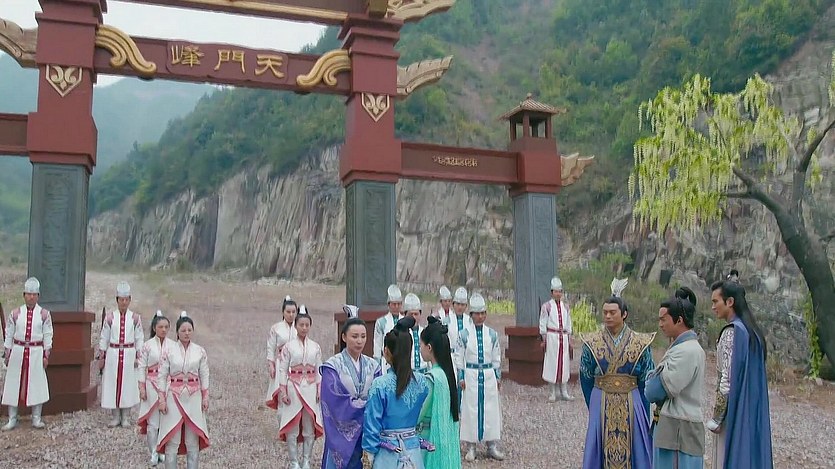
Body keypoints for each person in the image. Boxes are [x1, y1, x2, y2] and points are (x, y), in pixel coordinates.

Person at [579, 277, 655, 469]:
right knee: (599, 446)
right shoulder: (591, 342)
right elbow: (585, 377)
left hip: (631, 399)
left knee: (635, 446)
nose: (608, 316)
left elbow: (647, 378)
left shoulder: (640, 342)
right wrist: (594, 403)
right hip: (601, 397)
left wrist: (644, 408)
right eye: (605, 312)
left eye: (612, 312)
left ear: (624, 314)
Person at [708, 280, 772, 469]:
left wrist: (717, 419)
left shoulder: (731, 333)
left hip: (734, 412)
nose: (713, 307)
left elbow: (726, 381)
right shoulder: (753, 334)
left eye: (715, 302)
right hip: (752, 409)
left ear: (729, 302)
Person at [646, 288, 706, 469]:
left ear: (679, 320)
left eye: (663, 319)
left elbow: (653, 391)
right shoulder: (683, 348)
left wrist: (651, 378)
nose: (660, 324)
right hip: (675, 427)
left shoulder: (686, 351)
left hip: (678, 430)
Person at [362, 316, 430, 469]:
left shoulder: (380, 385)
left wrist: (368, 456)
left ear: (386, 351)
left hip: (388, 456)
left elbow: (371, 425)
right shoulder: (422, 382)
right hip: (413, 453)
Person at [320, 305, 382, 469]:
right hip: (342, 433)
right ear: (344, 337)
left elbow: (379, 394)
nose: (359, 341)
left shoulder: (373, 366)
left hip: (367, 430)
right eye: (354, 336)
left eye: (363, 336)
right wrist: (365, 406)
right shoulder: (332, 366)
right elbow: (332, 399)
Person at [156, 311, 210, 469]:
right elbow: (161, 375)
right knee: (172, 438)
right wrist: (161, 399)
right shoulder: (169, 351)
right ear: (177, 332)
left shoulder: (200, 351)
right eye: (183, 330)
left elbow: (204, 374)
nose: (187, 333)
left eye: (189, 330)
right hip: (174, 396)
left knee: (192, 439)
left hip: (194, 397)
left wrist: (205, 396)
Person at [455, 293, 504, 462]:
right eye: (478, 313)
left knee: (491, 409)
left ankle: (492, 445)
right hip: (471, 375)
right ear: (472, 315)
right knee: (471, 409)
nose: (481, 316)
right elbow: (459, 356)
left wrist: (497, 376)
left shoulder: (492, 334)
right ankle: (471, 446)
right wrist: (461, 376)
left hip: (488, 375)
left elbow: (497, 356)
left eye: (483, 313)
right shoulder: (464, 334)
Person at [2, 277, 52, 430]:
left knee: (36, 384)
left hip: (36, 352)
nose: (31, 297)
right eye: (29, 294)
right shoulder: (15, 313)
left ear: (38, 296)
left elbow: (48, 334)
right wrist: (7, 352)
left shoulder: (44, 314)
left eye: (34, 294)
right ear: (24, 295)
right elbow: (9, 333)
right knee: (13, 384)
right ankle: (12, 418)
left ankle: (36, 418)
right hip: (18, 351)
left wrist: (46, 354)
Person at [277, 305, 323, 469]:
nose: (304, 328)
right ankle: (294, 461)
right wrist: (283, 391)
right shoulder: (288, 347)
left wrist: (319, 389)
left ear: (310, 326)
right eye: (301, 325)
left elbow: (319, 369)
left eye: (307, 325)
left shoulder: (316, 347)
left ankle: (306, 461)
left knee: (309, 426)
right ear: (296, 326)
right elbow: (282, 369)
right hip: (294, 387)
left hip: (310, 388)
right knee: (293, 426)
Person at [97, 281, 144, 428]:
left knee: (128, 385)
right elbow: (104, 337)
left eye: (126, 300)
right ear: (117, 300)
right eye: (121, 300)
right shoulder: (110, 318)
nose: (124, 302)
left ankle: (126, 417)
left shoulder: (135, 318)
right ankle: (115, 416)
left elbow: (139, 338)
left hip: (129, 354)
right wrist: (102, 355)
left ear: (130, 300)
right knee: (113, 383)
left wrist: (138, 355)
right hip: (113, 354)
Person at [418, 316, 462, 469]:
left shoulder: (431, 378)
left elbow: (419, 413)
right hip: (446, 437)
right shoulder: (447, 374)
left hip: (428, 436)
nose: (420, 349)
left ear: (429, 347)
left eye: (421, 345)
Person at [138, 311, 174, 466]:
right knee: (152, 422)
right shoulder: (147, 346)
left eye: (166, 327)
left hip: (168, 384)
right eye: (160, 327)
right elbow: (141, 367)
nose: (163, 330)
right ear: (154, 328)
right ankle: (153, 451)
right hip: (151, 384)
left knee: (165, 419)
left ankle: (162, 449)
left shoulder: (173, 345)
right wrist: (142, 387)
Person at [539, 276, 574, 402]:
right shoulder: (547, 306)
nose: (558, 294)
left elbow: (568, 323)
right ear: (552, 292)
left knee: (564, 363)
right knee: (552, 363)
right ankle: (552, 392)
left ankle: (564, 391)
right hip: (552, 337)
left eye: (560, 291)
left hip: (563, 337)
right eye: (556, 291)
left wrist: (570, 338)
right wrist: (544, 338)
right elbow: (543, 323)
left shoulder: (566, 307)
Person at [267, 295, 299, 410]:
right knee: (282, 390)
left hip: (296, 363)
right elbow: (271, 347)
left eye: (293, 312)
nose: (291, 315)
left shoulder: (300, 327)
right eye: (288, 312)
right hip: (281, 362)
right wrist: (271, 364)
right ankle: (282, 416)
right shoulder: (276, 328)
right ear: (283, 312)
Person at [373, 285, 404, 375]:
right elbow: (377, 344)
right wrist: (377, 361)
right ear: (388, 304)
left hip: (403, 359)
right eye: (394, 304)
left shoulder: (405, 320)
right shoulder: (381, 322)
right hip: (387, 360)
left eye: (399, 304)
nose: (396, 306)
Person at [403, 293, 429, 372]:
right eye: (411, 314)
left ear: (420, 315)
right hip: (408, 372)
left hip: (424, 372)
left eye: (416, 314)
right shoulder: (402, 334)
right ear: (405, 315)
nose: (413, 317)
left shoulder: (425, 332)